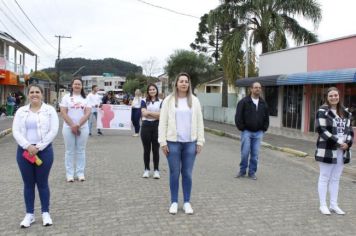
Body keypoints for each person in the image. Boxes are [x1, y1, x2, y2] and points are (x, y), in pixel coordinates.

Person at [12, 84, 59, 228]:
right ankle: (29, 215)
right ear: (28, 94)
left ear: (42, 94)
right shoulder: (21, 111)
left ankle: (45, 213)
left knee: (42, 183)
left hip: (44, 151)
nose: (34, 94)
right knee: (28, 184)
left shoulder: (49, 110)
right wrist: (27, 146)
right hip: (24, 152)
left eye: (37, 92)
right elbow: (16, 131)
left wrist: (38, 147)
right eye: (31, 92)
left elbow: (53, 130)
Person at [158, 72, 205, 215]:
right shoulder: (168, 100)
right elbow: (163, 122)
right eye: (181, 81)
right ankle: (173, 202)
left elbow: (200, 122)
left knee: (187, 173)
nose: (184, 83)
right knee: (174, 173)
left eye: (186, 81)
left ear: (189, 84)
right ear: (176, 84)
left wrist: (200, 141)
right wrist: (162, 142)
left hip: (190, 142)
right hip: (173, 142)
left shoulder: (195, 101)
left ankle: (186, 202)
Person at [315, 87, 353, 215]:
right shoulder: (322, 111)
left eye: (335, 95)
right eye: (331, 96)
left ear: (339, 96)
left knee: (336, 178)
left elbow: (349, 131)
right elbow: (321, 130)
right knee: (324, 177)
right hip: (327, 149)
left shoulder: (346, 112)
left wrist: (347, 143)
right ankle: (323, 205)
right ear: (327, 97)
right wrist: (338, 142)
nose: (333, 98)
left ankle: (334, 205)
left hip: (343, 150)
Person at [235, 82, 269, 180]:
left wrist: (264, 128)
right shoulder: (244, 102)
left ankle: (252, 172)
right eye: (255, 87)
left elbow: (266, 117)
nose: (258, 89)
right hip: (246, 132)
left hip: (258, 133)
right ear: (251, 89)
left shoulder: (263, 103)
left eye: (259, 87)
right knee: (245, 152)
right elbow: (238, 116)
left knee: (255, 154)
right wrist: (242, 128)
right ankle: (242, 171)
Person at [60, 78, 91, 182]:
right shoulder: (66, 98)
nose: (77, 85)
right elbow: (63, 112)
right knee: (69, 151)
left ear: (82, 86)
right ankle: (69, 174)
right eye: (75, 84)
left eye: (79, 84)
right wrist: (72, 125)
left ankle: (80, 173)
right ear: (72, 85)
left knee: (81, 150)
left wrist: (78, 124)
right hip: (68, 128)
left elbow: (87, 113)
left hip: (83, 128)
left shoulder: (86, 99)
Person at [140, 84, 162, 179]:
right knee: (146, 149)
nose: (152, 91)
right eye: (150, 89)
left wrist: (149, 113)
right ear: (148, 91)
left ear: (156, 90)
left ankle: (156, 170)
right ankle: (146, 170)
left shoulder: (161, 101)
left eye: (153, 89)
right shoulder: (144, 101)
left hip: (157, 126)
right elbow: (143, 113)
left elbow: (161, 116)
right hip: (146, 126)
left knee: (156, 149)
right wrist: (155, 115)